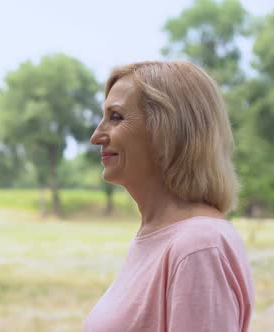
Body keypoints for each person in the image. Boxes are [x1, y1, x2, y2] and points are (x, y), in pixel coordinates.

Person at [84, 61, 254, 332]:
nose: (96, 136)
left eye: (115, 117)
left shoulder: (198, 246)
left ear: (167, 129)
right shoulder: (161, 236)